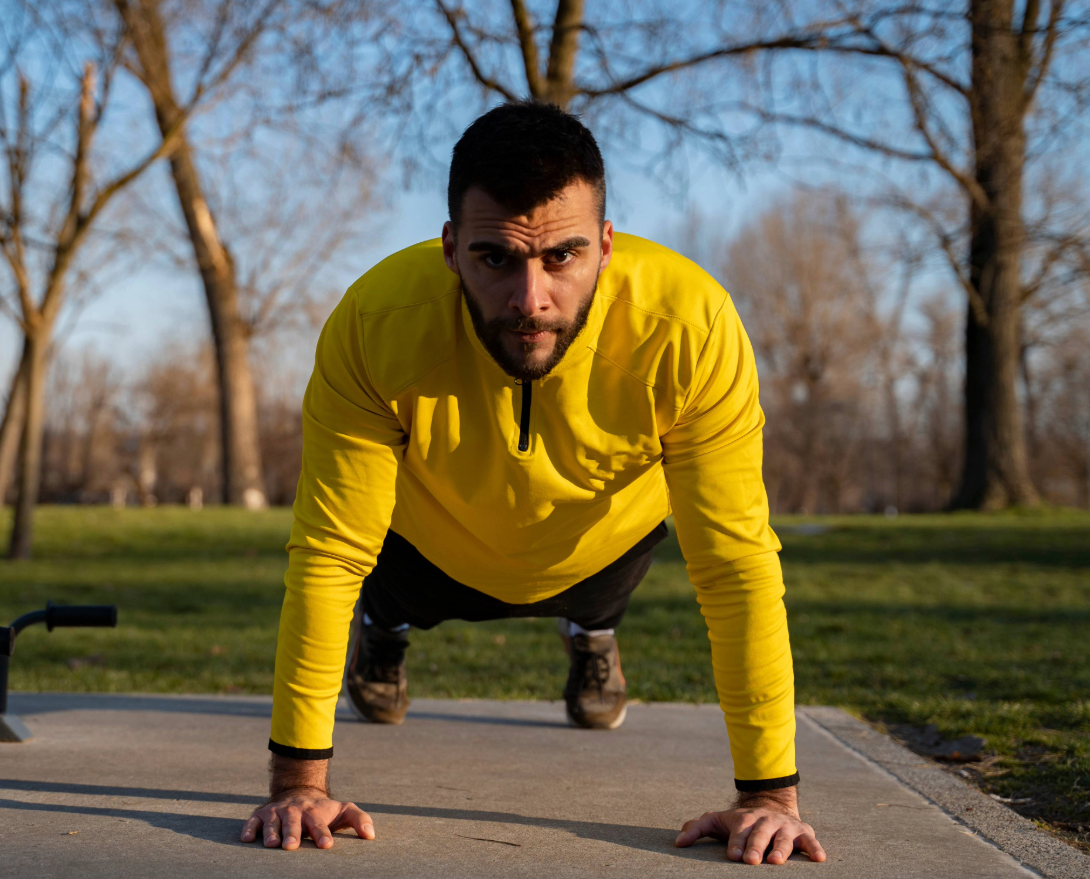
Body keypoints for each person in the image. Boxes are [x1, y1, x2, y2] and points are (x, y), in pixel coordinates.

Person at [240, 101, 826, 867]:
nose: (529, 299)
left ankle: (592, 634)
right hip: (427, 549)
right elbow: (328, 552)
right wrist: (298, 784)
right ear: (450, 248)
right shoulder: (375, 322)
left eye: (563, 256)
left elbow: (735, 561)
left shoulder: (690, 325)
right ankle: (383, 637)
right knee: (376, 582)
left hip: (598, 550)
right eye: (495, 259)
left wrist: (769, 796)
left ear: (607, 245)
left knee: (609, 586)